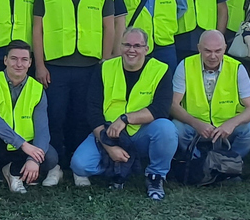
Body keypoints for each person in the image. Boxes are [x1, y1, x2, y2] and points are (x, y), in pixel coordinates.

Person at [32, 0, 121, 177]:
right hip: (56, 66)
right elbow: (37, 29)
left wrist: (105, 60)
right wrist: (39, 65)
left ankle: (79, 166)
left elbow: (109, 26)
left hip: (90, 65)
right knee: (56, 116)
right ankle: (56, 165)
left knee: (83, 117)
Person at [68, 27, 177, 199]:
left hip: (141, 132)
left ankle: (155, 176)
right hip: (108, 133)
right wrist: (109, 147)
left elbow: (161, 109)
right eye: (127, 45)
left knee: (167, 128)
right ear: (120, 46)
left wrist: (125, 119)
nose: (131, 50)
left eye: (137, 46)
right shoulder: (105, 68)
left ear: (146, 49)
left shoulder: (161, 69)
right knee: (79, 165)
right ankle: (121, 167)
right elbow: (93, 110)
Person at [0, 40, 54, 202]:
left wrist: (33, 159)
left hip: (21, 146)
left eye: (24, 59)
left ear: (30, 63)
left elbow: (42, 129)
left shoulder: (37, 88)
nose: (19, 64)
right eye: (14, 59)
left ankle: (13, 171)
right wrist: (23, 145)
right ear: (5, 60)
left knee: (50, 157)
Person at [170, 30, 250, 172]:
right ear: (199, 48)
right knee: (175, 128)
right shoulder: (185, 65)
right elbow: (173, 105)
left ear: (225, 48)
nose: (213, 56)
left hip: (226, 127)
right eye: (207, 51)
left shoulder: (237, 68)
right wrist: (196, 123)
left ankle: (231, 160)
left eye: (218, 51)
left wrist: (231, 123)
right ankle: (197, 161)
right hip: (196, 126)